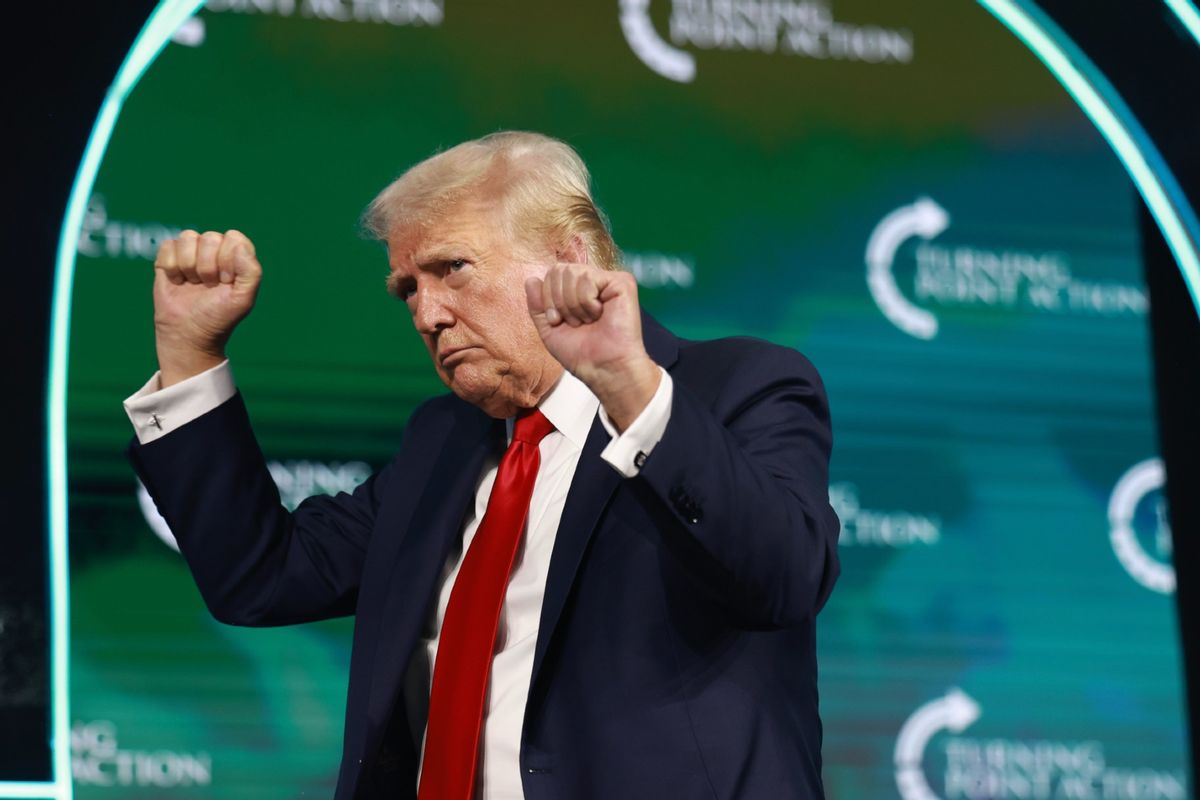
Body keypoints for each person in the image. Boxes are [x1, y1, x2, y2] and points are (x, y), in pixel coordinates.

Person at [125, 131, 840, 800]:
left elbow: (784, 576)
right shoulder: (444, 442)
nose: (427, 314)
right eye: (408, 289)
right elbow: (262, 577)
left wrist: (630, 389)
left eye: (452, 270)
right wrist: (190, 355)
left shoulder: (738, 388)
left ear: (571, 258)